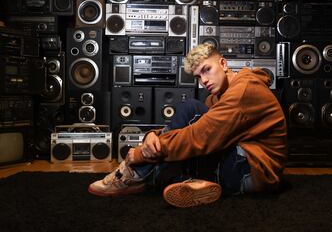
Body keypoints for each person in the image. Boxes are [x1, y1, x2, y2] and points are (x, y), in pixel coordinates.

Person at [88, 43, 287, 208]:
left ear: (224, 64)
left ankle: (134, 173)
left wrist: (140, 154)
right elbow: (187, 133)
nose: (204, 81)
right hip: (241, 165)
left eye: (207, 70)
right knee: (176, 150)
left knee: (191, 108)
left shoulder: (244, 91)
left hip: (253, 172)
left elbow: (200, 136)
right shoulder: (217, 97)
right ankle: (182, 183)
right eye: (198, 77)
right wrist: (152, 135)